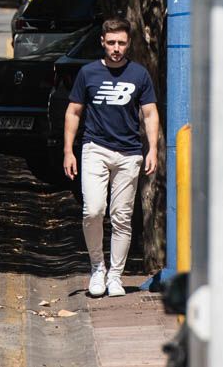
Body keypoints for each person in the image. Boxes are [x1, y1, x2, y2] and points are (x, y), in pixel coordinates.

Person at [63, 17, 160, 298]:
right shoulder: (88, 73)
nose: (116, 48)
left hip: (129, 154)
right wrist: (68, 151)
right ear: (102, 43)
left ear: (128, 43)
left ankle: (115, 275)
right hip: (95, 149)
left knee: (122, 217)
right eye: (111, 43)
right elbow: (73, 111)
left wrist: (152, 148)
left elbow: (150, 113)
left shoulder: (139, 75)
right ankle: (97, 267)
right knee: (92, 210)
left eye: (121, 43)